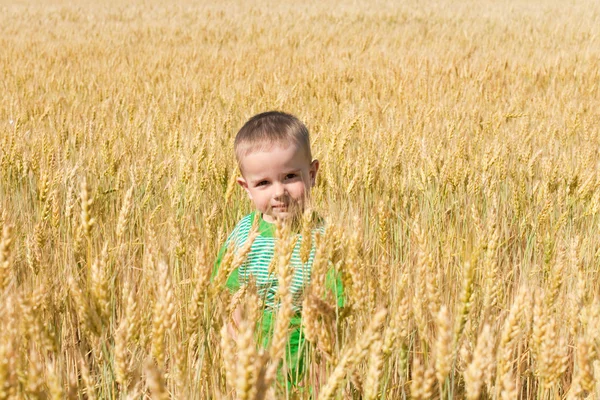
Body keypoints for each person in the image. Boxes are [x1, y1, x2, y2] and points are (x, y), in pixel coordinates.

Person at [213, 111, 344, 390]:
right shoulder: (243, 235)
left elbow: (335, 316)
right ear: (245, 188)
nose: (279, 192)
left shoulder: (326, 238)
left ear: (312, 174)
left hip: (309, 367)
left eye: (289, 177)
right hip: (254, 368)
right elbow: (229, 301)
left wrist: (321, 380)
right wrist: (236, 360)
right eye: (263, 183)